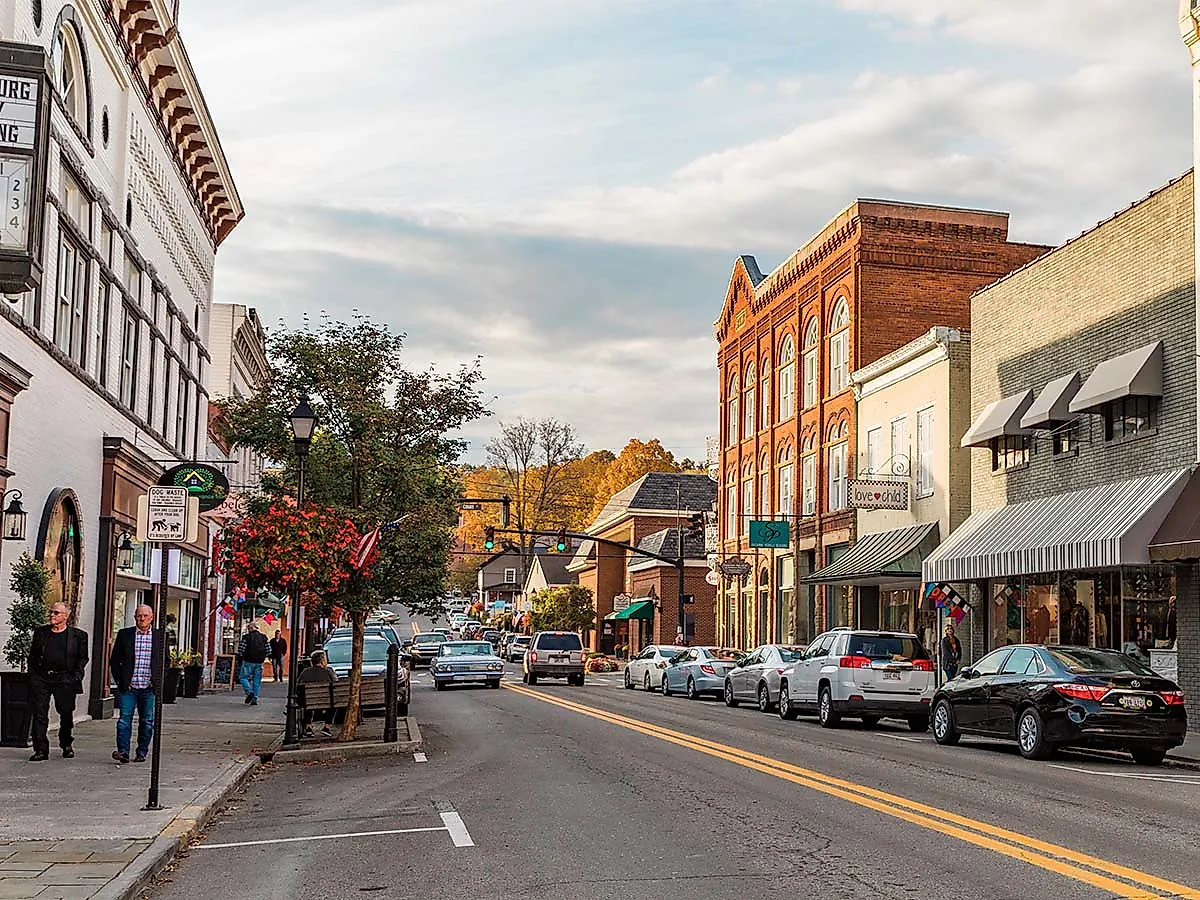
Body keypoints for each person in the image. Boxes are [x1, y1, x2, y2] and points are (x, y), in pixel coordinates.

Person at [27, 602, 88, 762]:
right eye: (51, 612)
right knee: (40, 713)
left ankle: (66, 743)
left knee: (66, 712)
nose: (52, 615)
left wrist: (76, 675)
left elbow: (83, 658)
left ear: (65, 616)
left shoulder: (78, 636)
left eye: (56, 613)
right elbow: (33, 656)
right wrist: (33, 675)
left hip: (65, 678)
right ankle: (40, 749)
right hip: (42, 677)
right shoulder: (41, 633)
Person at [109, 605, 164, 764]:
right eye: (139, 616)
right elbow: (114, 661)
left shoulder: (159, 636)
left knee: (147, 721)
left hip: (148, 687)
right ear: (135, 617)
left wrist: (159, 681)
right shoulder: (125, 634)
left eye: (146, 616)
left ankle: (142, 752)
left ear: (152, 617)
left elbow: (164, 661)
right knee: (124, 720)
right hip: (129, 687)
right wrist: (120, 681)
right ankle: (123, 752)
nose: (142, 619)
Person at [297, 649, 338, 737]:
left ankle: (308, 727)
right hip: (326, 701)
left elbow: (298, 686)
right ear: (323, 660)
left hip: (308, 702)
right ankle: (327, 727)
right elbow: (336, 683)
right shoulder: (328, 671)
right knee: (334, 702)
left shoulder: (305, 672)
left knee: (306, 701)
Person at [236, 621, 269, 705]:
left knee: (243, 677)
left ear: (250, 628)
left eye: (248, 628)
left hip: (248, 661)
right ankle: (254, 699)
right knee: (256, 681)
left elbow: (241, 649)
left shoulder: (246, 637)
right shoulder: (263, 637)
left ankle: (249, 691)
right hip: (259, 662)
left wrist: (241, 657)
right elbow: (269, 650)